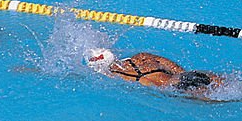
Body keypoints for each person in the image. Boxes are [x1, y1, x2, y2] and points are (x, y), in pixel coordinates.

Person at [86, 49, 222, 95]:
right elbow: (171, 66)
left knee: (211, 100)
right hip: (183, 77)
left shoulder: (116, 77)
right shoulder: (141, 57)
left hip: (173, 89)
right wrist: (182, 74)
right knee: (223, 84)